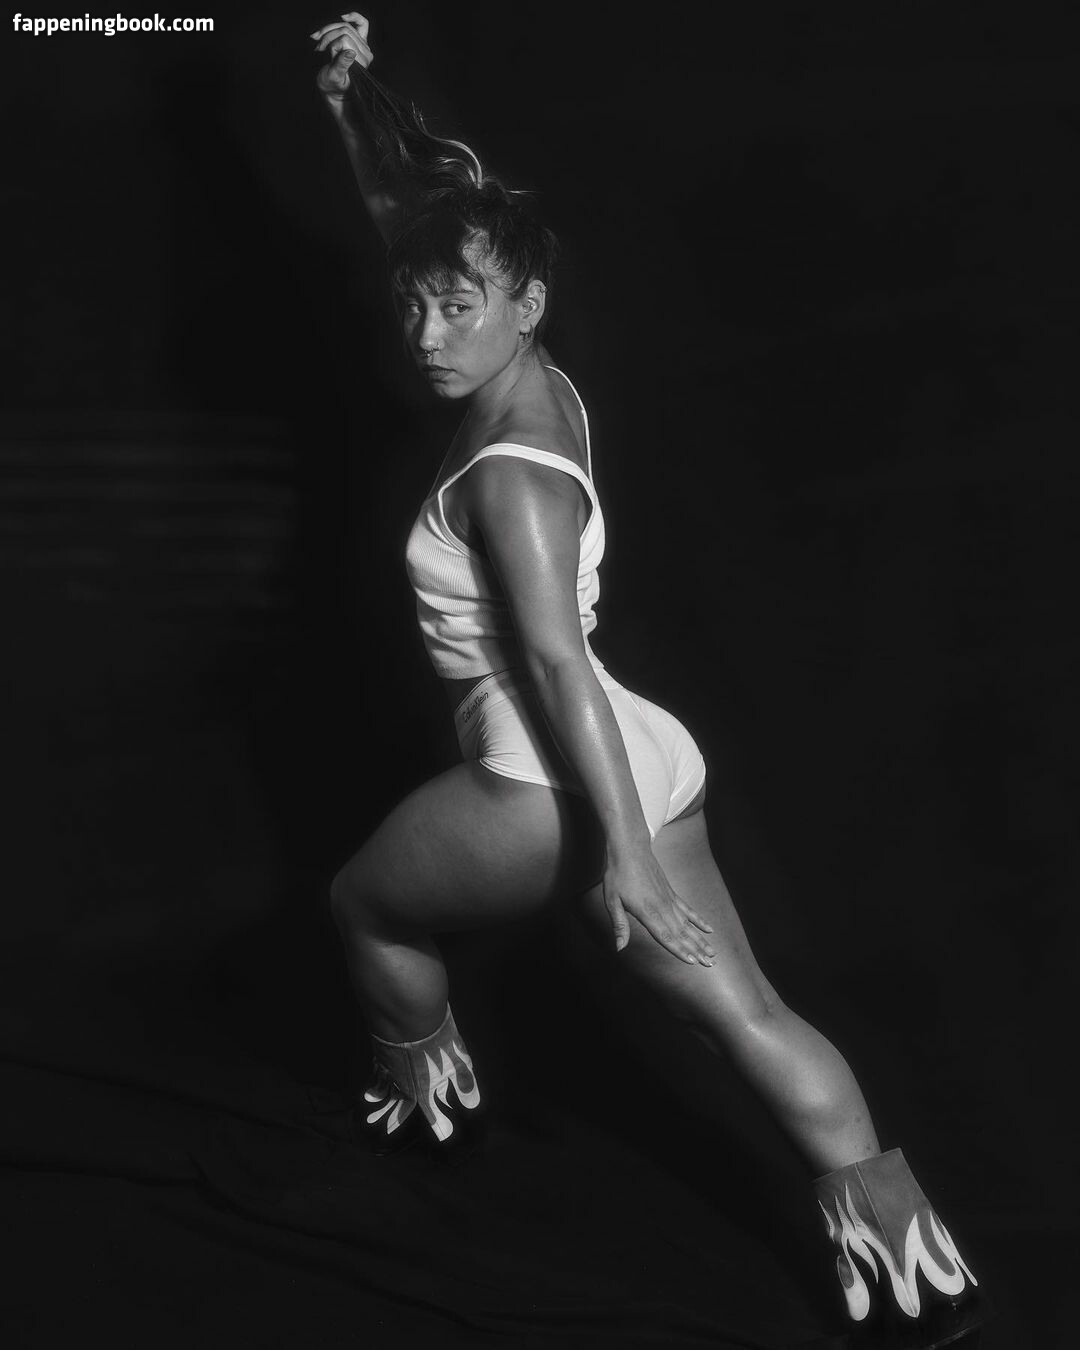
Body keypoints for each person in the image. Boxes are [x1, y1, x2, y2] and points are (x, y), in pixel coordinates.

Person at [309, 13, 986, 1346]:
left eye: (456, 308)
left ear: (524, 306)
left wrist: (620, 857)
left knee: (364, 908)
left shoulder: (508, 475)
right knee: (744, 1011)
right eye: (413, 306)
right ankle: (922, 1276)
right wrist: (351, 109)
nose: (428, 333)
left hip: (550, 775)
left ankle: (427, 1110)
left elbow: (551, 660)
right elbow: (431, 228)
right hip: (645, 744)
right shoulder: (536, 381)